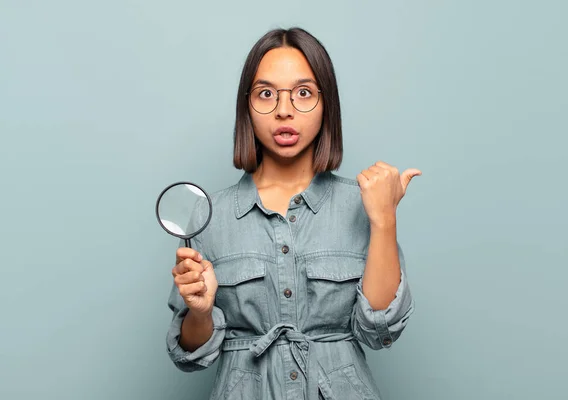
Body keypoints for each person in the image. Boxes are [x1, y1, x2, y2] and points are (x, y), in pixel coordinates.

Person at [166, 26, 421, 400]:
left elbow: (379, 330)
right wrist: (201, 312)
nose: (284, 111)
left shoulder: (363, 204)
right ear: (247, 107)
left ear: (326, 104)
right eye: (266, 94)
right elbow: (190, 355)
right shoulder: (210, 217)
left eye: (303, 93)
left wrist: (384, 220)